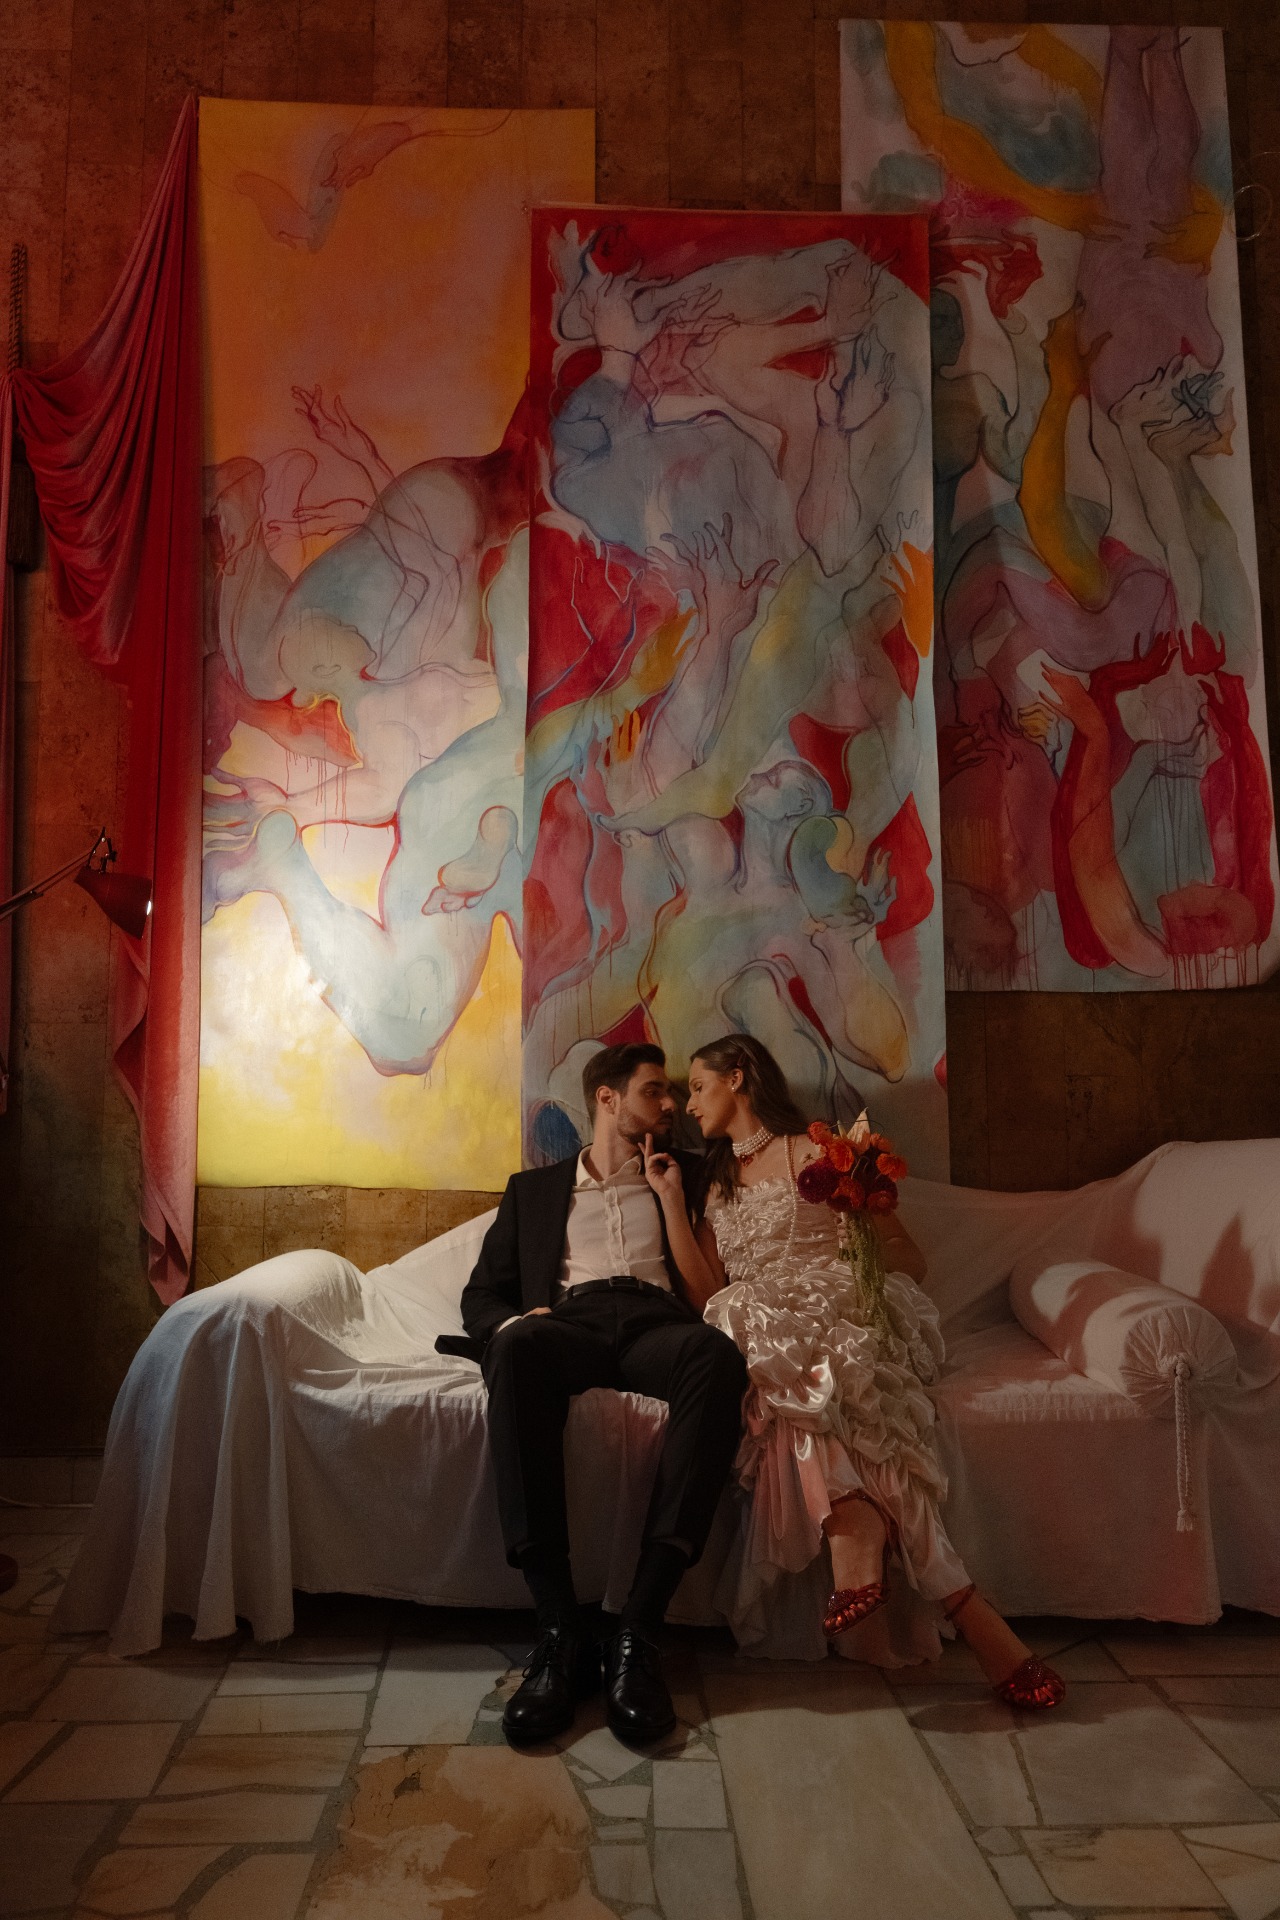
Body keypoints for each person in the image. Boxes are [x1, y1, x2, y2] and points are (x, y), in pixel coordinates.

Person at [658, 1032, 1065, 1706]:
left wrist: (856, 1238)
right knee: (767, 1350)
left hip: (843, 1308)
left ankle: (855, 1526)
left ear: (737, 1076)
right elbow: (707, 1295)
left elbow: (910, 1261)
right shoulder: (713, 1181)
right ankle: (954, 1599)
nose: (690, 1105)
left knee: (802, 1378)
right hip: (768, 1327)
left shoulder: (824, 1151)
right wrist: (673, 1201)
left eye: (698, 1087)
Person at [459, 1041, 749, 1746]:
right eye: (655, 1090)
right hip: (573, 1323)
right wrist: (514, 1323)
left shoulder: (687, 1174)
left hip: (656, 1322)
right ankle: (558, 1629)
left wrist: (670, 1194)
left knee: (716, 1355)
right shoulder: (533, 1191)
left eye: (674, 1092)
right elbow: (481, 1297)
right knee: (515, 1347)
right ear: (607, 1099)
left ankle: (638, 1630)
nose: (671, 1104)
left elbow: (711, 1283)